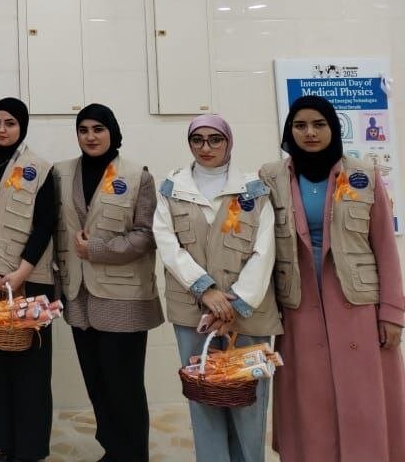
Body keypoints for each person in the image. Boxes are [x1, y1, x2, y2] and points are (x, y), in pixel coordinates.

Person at [260, 95, 405, 462]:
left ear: (333, 128)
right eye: (300, 125)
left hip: (357, 304)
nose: (309, 133)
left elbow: (385, 247)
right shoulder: (271, 177)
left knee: (363, 397)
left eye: (319, 124)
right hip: (299, 302)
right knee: (310, 399)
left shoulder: (363, 174)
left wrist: (392, 312)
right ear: (289, 131)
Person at [153, 114, 280, 462]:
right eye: (197, 140)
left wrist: (235, 304)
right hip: (194, 311)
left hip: (248, 311)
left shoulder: (253, 187)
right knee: (204, 397)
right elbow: (167, 245)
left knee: (249, 399)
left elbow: (265, 249)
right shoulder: (172, 188)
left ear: (229, 142)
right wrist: (206, 291)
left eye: (215, 139)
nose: (205, 147)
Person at [53, 103, 162, 462]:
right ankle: (114, 451)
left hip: (124, 296)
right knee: (97, 382)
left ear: (112, 132)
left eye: (98, 129)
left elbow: (147, 235)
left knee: (124, 385)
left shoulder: (137, 175)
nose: (90, 137)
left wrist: (98, 249)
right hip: (79, 295)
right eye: (83, 130)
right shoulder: (61, 173)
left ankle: (133, 455)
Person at [0, 97, 57, 462]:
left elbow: (46, 224)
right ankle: (6, 443)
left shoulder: (41, 169)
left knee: (32, 367)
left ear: (22, 127)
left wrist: (22, 272)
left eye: (10, 123)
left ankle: (30, 450)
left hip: (31, 279)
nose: (2, 129)